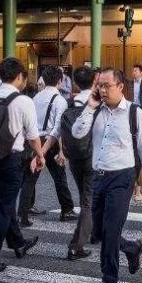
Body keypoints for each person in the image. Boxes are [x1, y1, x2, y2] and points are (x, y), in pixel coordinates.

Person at [72, 68, 142, 283]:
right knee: (97, 233)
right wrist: (89, 106)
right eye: (99, 85)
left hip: (122, 178)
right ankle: (131, 248)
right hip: (98, 176)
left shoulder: (133, 112)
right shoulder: (95, 110)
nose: (101, 89)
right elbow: (77, 132)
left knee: (110, 233)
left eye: (107, 85)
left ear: (121, 87)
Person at [0, 58, 44, 276]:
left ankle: (18, 243)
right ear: (19, 77)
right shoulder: (23, 101)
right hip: (10, 160)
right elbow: (33, 136)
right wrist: (40, 154)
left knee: (2, 202)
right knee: (4, 210)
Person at [21, 65, 76, 223]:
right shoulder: (60, 101)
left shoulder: (35, 97)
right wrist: (57, 151)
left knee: (30, 179)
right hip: (48, 142)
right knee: (59, 177)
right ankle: (67, 210)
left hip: (33, 140)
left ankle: (23, 213)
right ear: (60, 81)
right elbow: (58, 129)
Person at [53, 65, 96, 260]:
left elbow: (57, 130)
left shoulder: (68, 102)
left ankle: (90, 231)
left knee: (85, 197)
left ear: (76, 83)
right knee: (89, 200)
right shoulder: (97, 102)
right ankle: (76, 245)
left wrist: (46, 152)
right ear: (95, 80)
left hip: (75, 157)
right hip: (93, 156)